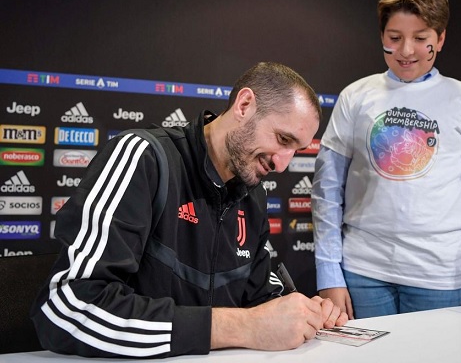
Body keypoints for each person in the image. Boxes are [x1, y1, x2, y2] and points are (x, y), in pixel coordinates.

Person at [30, 62, 348, 358]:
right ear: (244, 105)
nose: (282, 164)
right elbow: (66, 308)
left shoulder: (253, 194)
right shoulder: (144, 157)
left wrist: (303, 312)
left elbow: (260, 295)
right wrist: (243, 326)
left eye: (295, 150)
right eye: (282, 139)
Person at [312, 0, 461, 320]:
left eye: (420, 39)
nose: (406, 51)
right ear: (382, 37)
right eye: (394, 38)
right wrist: (329, 273)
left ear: (441, 38)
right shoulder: (355, 96)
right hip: (362, 273)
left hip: (439, 277)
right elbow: (326, 191)